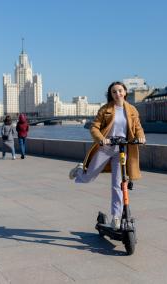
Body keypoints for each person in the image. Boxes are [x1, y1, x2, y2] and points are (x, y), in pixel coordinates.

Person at [69, 81, 146, 230]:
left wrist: (141, 137)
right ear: (110, 95)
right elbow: (94, 127)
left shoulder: (132, 110)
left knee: (118, 184)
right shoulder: (105, 109)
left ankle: (116, 217)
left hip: (122, 149)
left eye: (120, 91)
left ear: (125, 92)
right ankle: (79, 170)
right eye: (114, 92)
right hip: (106, 147)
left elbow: (138, 127)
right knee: (88, 177)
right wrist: (101, 139)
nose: (117, 94)